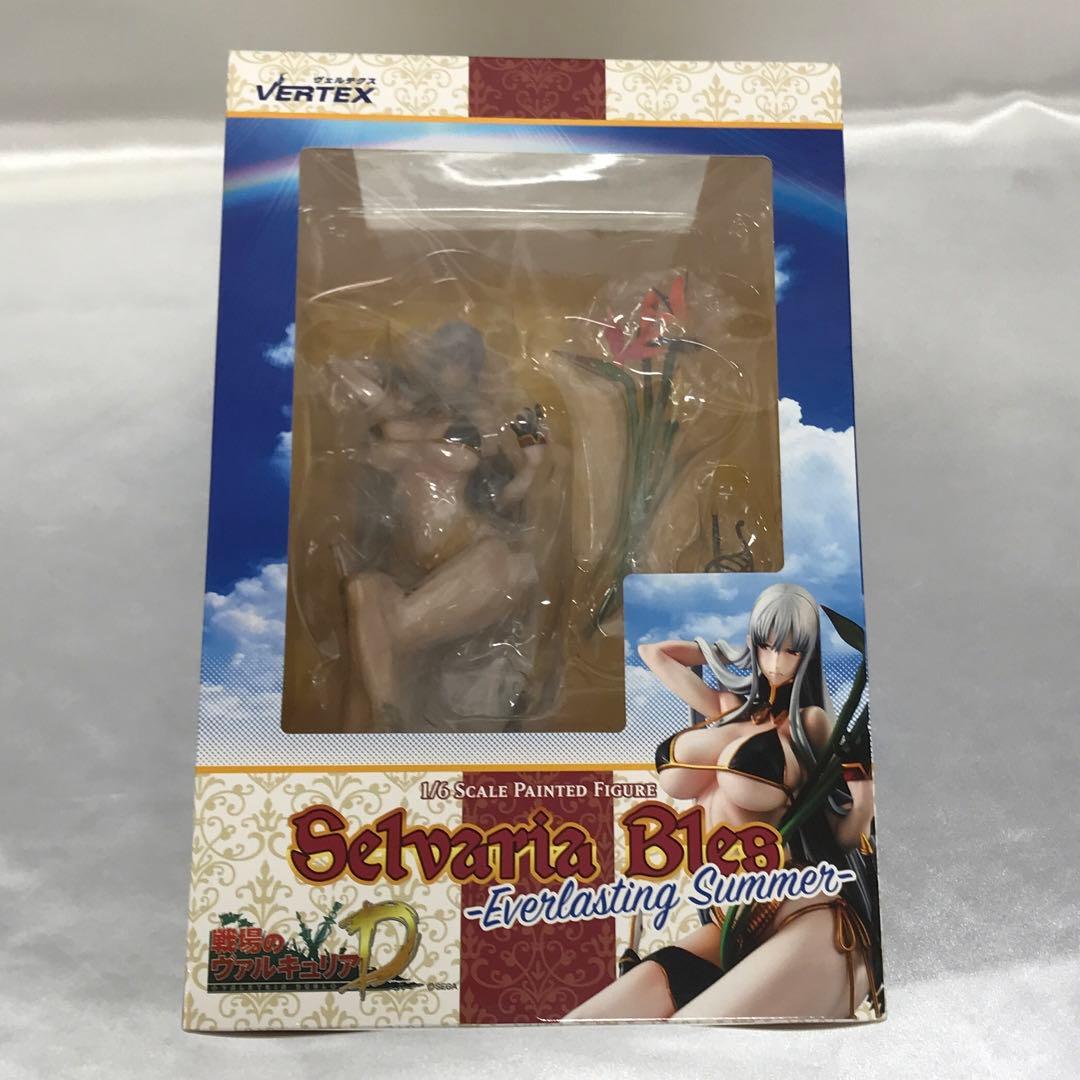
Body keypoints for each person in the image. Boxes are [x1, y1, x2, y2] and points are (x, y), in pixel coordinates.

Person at [567, 583, 882, 1020]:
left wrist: (864, 795)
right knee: (584, 1027)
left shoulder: (808, 723)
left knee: (683, 1046)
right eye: (766, 644)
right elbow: (653, 652)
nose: (775, 661)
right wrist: (723, 653)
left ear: (807, 655)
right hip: (730, 919)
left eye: (791, 650)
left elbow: (843, 835)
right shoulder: (725, 706)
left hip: (804, 911)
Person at [332, 322, 548, 731]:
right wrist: (381, 371)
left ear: (475, 367)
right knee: (363, 590)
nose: (454, 367)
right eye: (446, 357)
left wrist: (532, 468)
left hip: (476, 554)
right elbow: (338, 369)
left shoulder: (484, 417)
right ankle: (387, 717)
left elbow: (506, 494)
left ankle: (379, 723)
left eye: (464, 359)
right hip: (408, 564)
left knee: (378, 636)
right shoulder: (399, 407)